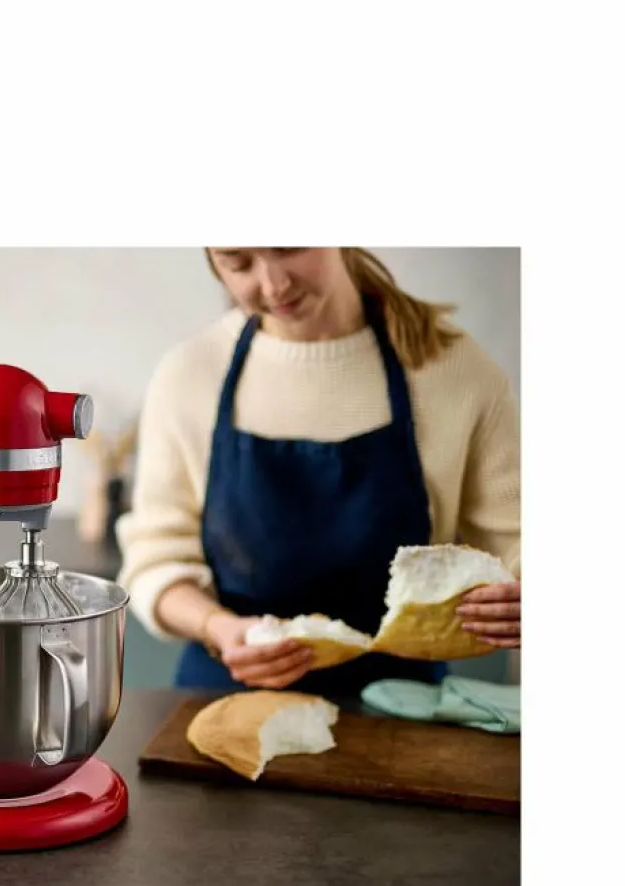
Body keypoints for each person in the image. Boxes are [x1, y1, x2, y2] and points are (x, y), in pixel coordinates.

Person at [116, 248, 521, 695]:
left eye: (289, 246)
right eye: (239, 263)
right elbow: (155, 561)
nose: (274, 285)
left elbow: (519, 543)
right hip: (230, 697)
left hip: (405, 707)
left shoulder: (453, 370)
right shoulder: (190, 375)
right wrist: (219, 627)